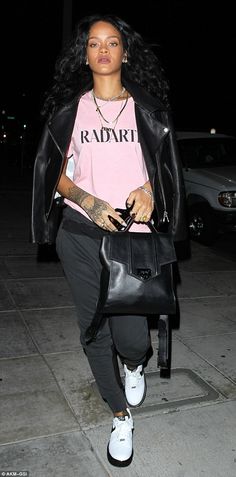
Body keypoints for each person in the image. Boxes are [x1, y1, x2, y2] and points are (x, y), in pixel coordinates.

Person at [31, 13, 187, 467]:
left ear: (125, 52)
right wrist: (87, 199)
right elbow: (52, 174)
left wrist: (150, 190)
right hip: (79, 234)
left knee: (131, 336)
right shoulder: (69, 111)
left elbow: (168, 171)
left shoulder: (149, 109)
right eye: (94, 43)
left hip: (133, 240)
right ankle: (119, 414)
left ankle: (136, 363)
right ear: (84, 55)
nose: (103, 50)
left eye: (112, 42)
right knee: (93, 329)